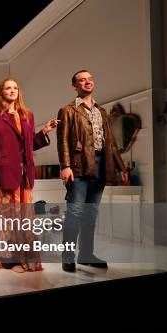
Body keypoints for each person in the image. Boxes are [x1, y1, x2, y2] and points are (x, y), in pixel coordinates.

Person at [0, 78, 57, 273]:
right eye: (8, 88)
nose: (12, 90)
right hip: (4, 173)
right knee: (4, 218)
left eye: (15, 88)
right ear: (1, 92)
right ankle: (9, 259)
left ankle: (26, 257)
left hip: (25, 175)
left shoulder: (27, 115)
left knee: (25, 218)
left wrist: (45, 131)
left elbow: (30, 144)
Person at [57, 70, 128, 272]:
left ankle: (86, 254)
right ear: (75, 86)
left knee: (91, 213)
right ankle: (68, 256)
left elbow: (111, 143)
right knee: (75, 212)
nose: (87, 82)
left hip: (101, 166)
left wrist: (120, 167)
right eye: (82, 80)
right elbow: (62, 141)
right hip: (78, 167)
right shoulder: (67, 110)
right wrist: (66, 166)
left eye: (90, 79)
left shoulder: (101, 111)